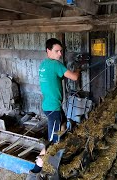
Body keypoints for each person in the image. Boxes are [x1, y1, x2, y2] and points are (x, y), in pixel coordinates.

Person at [27, 38, 80, 179]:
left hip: (48, 106)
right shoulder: (56, 65)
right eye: (57, 51)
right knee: (51, 142)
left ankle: (62, 149)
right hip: (53, 108)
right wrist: (79, 69)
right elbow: (74, 77)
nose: (60, 54)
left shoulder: (44, 64)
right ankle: (36, 171)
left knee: (63, 124)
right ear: (48, 51)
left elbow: (55, 78)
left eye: (61, 51)